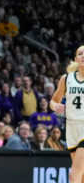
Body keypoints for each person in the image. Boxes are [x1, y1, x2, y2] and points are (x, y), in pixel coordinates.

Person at [51, 45, 84, 183]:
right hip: (71, 128)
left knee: (74, 174)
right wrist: (55, 106)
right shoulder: (66, 78)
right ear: (76, 59)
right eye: (80, 54)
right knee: (81, 176)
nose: (83, 56)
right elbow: (53, 101)